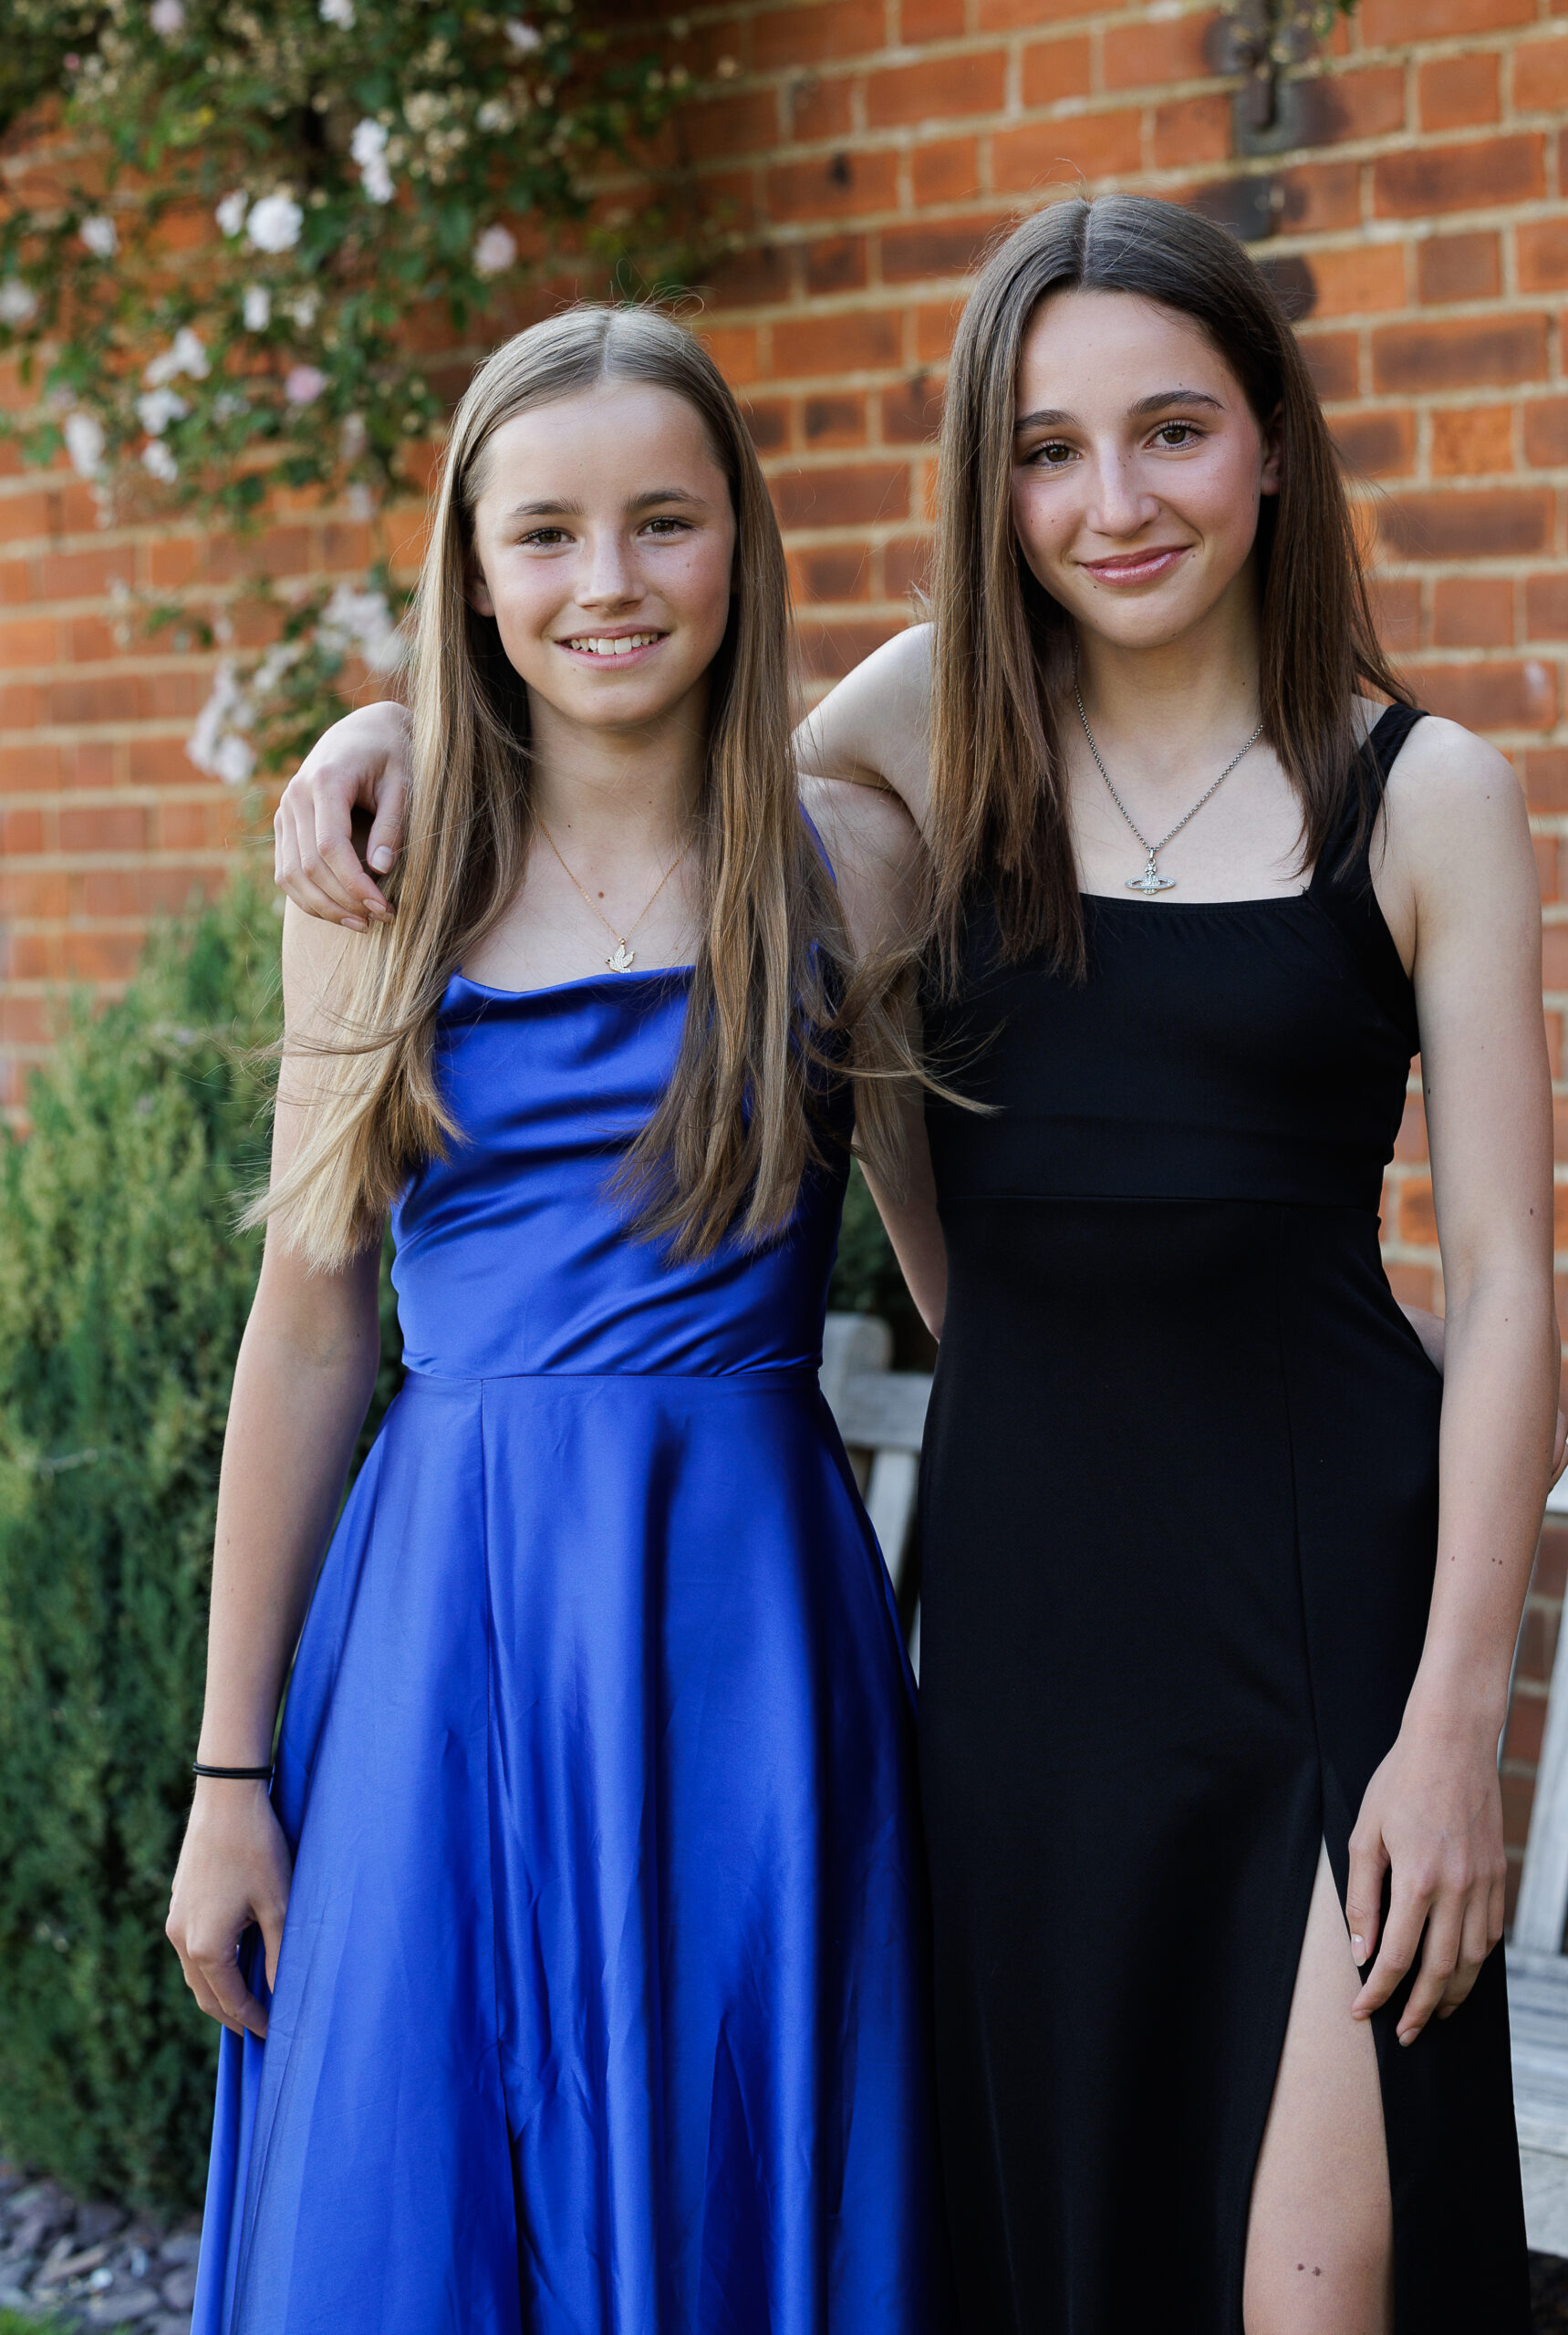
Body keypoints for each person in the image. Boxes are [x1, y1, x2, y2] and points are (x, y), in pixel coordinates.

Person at [273, 197, 1561, 2335]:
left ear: (1270, 438)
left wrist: (1458, 1725)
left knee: (1321, 2274)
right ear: (992, 480)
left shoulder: (1426, 796)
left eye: (1171, 430)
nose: (1113, 501)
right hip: (1029, 1604)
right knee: (1053, 2246)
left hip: (1322, 1592)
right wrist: (396, 731)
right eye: (1047, 449)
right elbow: (651, 772)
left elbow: (1507, 1287)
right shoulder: (937, 739)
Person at [166, 305, 951, 2335]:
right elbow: (311, 1320)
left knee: (736, 2153)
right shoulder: (388, 876)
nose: (609, 580)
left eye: (665, 521)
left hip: (750, 1629)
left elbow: (1025, 637)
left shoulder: (850, 866)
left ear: (741, 540)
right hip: (445, 1626)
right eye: (544, 534)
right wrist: (230, 1776)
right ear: (470, 572)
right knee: (429, 2172)